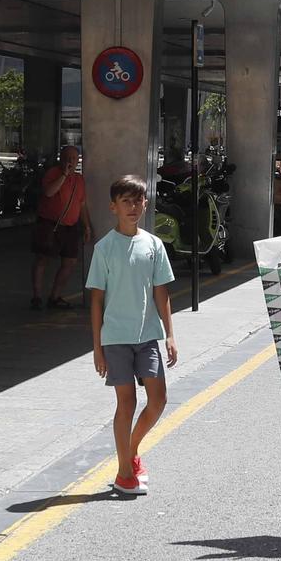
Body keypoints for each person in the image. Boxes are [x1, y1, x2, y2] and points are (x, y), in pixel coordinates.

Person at [87, 175, 177, 494]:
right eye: (125, 201)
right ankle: (125, 472)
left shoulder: (153, 245)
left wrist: (169, 334)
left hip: (147, 335)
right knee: (126, 403)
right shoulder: (104, 248)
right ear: (113, 207)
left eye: (138, 200)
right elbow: (96, 299)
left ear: (145, 203)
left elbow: (161, 292)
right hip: (115, 338)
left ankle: (132, 449)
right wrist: (97, 347)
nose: (133, 206)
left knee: (158, 399)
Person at [30, 145, 90, 311]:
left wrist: (86, 226)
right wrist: (64, 174)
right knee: (42, 259)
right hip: (50, 224)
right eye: (68, 158)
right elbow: (49, 192)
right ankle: (36, 296)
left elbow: (82, 204)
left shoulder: (79, 179)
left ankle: (55, 296)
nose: (71, 161)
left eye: (74, 158)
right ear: (61, 159)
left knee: (70, 261)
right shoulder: (53, 173)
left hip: (70, 227)